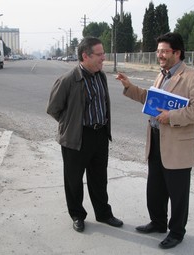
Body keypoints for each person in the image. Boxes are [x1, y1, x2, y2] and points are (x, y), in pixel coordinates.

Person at [116, 32, 194, 249]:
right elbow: (151, 99)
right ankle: (158, 223)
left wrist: (172, 117)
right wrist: (129, 87)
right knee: (155, 186)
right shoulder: (163, 75)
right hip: (156, 139)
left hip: (178, 144)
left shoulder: (193, 77)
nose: (159, 55)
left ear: (177, 53)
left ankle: (176, 232)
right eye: (158, 51)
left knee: (177, 193)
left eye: (164, 51)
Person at [47, 36, 123, 233]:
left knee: (99, 179)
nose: (103, 58)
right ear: (85, 56)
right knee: (73, 180)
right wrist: (71, 126)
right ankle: (77, 215)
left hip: (100, 136)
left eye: (103, 54)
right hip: (76, 138)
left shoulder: (101, 76)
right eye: (99, 54)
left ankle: (104, 214)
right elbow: (54, 109)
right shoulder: (67, 80)